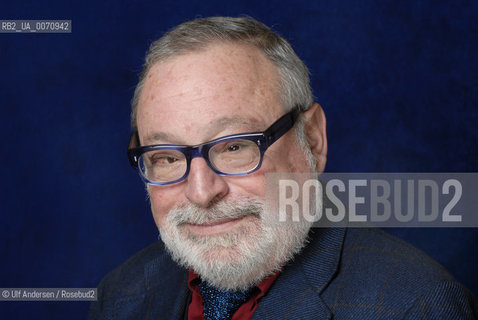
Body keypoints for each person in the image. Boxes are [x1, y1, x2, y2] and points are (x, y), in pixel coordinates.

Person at [89, 16, 477, 319]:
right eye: (167, 157)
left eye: (235, 147)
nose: (202, 192)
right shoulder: (121, 296)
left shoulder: (414, 305)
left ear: (312, 139)